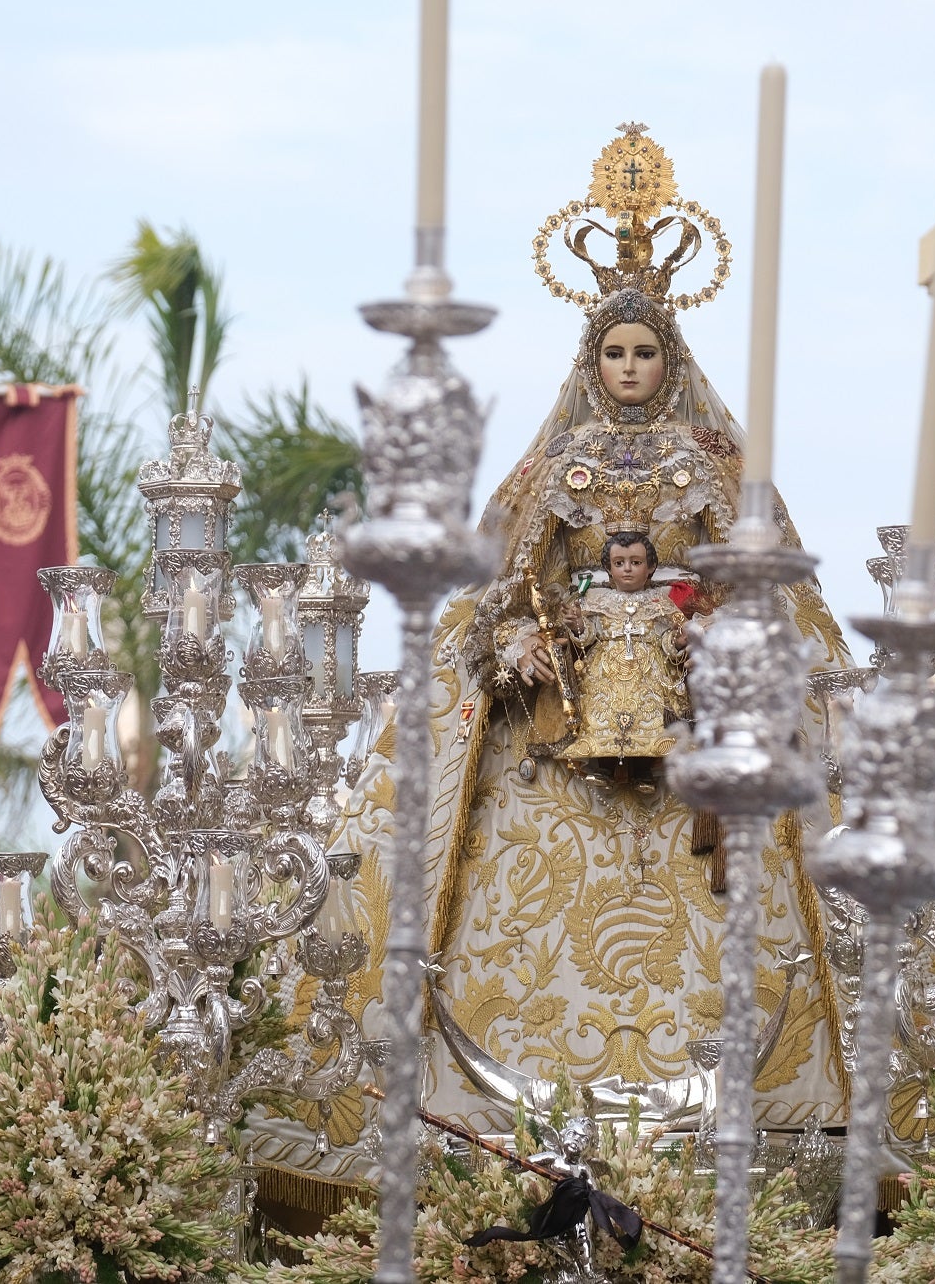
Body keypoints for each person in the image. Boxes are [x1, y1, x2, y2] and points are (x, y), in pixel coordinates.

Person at [246, 125, 857, 1188]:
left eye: (645, 352)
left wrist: (722, 633)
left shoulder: (711, 470)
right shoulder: (557, 468)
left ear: (671, 361)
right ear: (592, 362)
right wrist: (518, 642)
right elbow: (494, 597)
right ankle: (481, 1129)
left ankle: (757, 1118)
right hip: (561, 735)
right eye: (614, 353)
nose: (629, 369)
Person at [558, 529, 694, 764]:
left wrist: (677, 642)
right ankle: (604, 765)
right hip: (606, 671)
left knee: (650, 717)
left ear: (650, 567)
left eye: (636, 562)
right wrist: (579, 626)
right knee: (601, 714)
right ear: (609, 569)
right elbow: (590, 636)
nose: (627, 569)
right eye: (619, 563)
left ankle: (643, 768)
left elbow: (666, 640)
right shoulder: (597, 601)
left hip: (649, 671)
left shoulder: (661, 603)